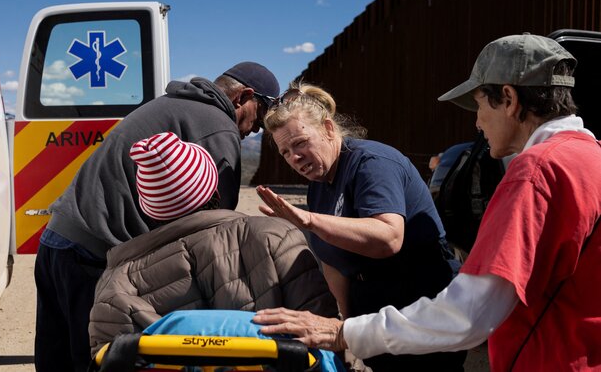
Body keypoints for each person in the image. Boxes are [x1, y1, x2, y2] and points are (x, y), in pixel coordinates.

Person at [253, 34, 601, 371]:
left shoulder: (536, 172)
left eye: (479, 105)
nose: (477, 123)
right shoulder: (590, 157)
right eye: (285, 151)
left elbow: (470, 312)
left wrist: (345, 333)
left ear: (508, 99)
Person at [34, 61, 280, 372]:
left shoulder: (170, 103)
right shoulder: (218, 125)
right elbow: (215, 231)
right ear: (242, 97)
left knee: (55, 360)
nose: (254, 130)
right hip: (93, 257)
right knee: (98, 362)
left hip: (57, 239)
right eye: (260, 118)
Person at [254, 83, 465, 371]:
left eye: (301, 142)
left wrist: (309, 220)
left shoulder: (372, 164)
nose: (295, 157)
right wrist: (347, 326)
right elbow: (332, 260)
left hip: (421, 313)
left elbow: (388, 238)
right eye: (286, 152)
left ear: (328, 128)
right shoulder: (319, 185)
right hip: (376, 318)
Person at [88, 132, 338, 356]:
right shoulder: (276, 236)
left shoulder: (116, 285)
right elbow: (323, 335)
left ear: (150, 211)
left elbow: (111, 361)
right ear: (215, 191)